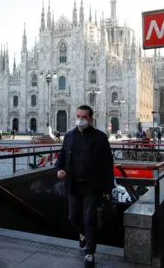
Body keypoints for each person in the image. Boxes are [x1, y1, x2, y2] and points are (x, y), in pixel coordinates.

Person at [55, 105, 114, 268]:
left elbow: (108, 164)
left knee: (90, 218)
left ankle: (89, 252)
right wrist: (59, 169)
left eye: (84, 117)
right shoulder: (69, 136)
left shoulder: (100, 138)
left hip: (92, 186)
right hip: (73, 184)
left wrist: (108, 187)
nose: (80, 119)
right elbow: (61, 156)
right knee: (73, 217)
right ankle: (83, 234)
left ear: (91, 119)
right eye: (78, 116)